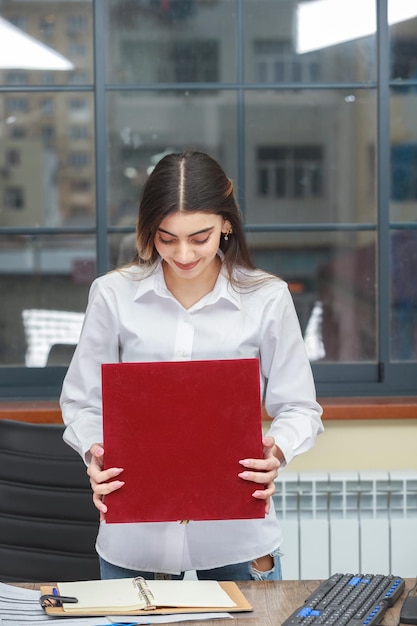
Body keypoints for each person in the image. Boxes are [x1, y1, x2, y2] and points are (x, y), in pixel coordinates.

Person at [60, 150, 324, 582]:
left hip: (238, 535)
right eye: (167, 238)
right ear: (149, 232)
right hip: (136, 537)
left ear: (226, 223)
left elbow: (299, 406)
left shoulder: (267, 298)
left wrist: (275, 451)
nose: (182, 254)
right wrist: (95, 452)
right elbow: (82, 402)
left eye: (199, 238)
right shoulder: (112, 295)